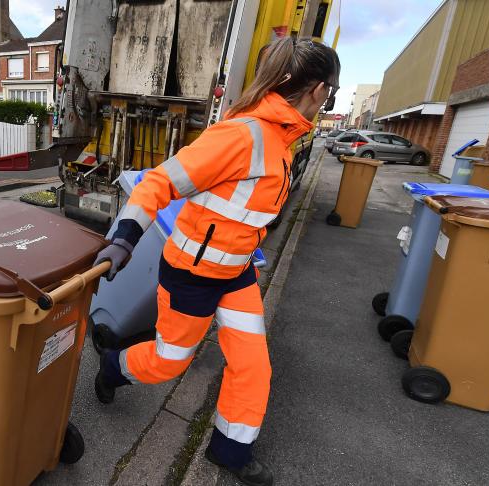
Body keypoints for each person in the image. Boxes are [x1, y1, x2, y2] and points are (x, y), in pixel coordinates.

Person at [92, 37, 340, 486]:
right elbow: (158, 183)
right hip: (192, 275)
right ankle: (113, 366)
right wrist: (124, 240)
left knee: (253, 365)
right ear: (319, 90)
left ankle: (230, 449)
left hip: (236, 273)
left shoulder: (283, 139)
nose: (328, 102)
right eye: (332, 94)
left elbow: (244, 210)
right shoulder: (243, 135)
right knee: (169, 361)